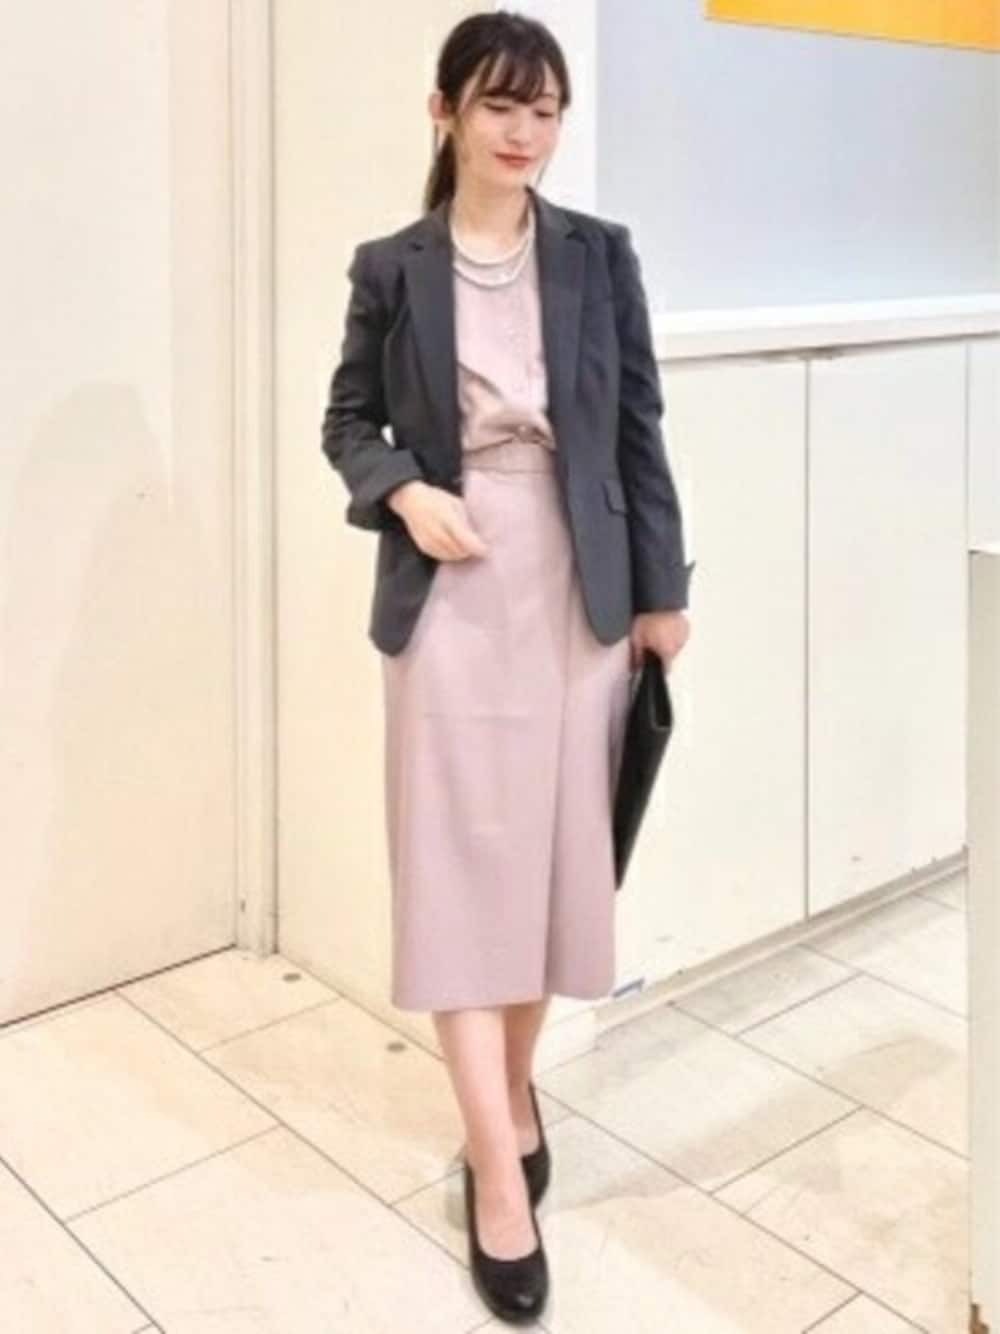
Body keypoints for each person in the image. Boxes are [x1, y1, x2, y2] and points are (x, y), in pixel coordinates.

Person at [321, 10, 693, 1323]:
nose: (524, 131)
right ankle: (495, 1168)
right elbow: (348, 419)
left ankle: (513, 1094)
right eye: (498, 105)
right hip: (449, 589)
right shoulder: (392, 265)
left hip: (578, 587)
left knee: (548, 868)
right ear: (445, 113)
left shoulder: (599, 254)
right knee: (456, 875)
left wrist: (662, 589)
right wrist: (404, 491)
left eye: (543, 109)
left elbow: (638, 425)